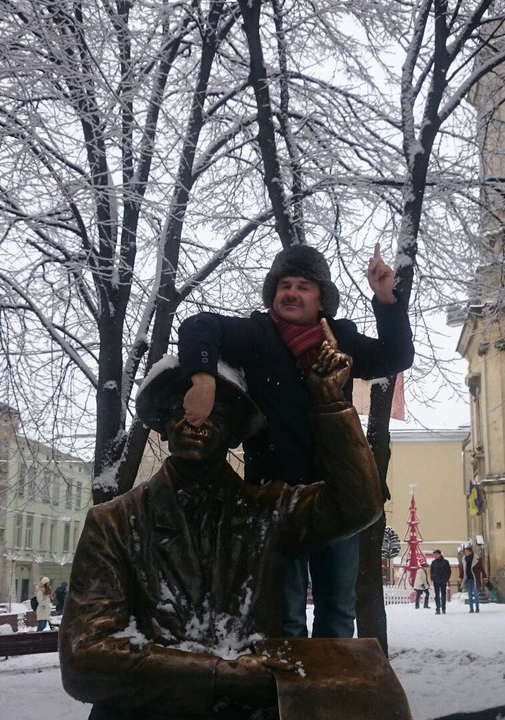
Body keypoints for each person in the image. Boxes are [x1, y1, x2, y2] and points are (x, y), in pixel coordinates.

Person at [60, 327, 382, 719]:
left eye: (215, 413)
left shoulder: (269, 512)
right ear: (163, 425)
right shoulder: (113, 523)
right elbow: (84, 658)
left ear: (234, 434)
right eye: (182, 408)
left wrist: (330, 402)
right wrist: (219, 674)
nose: (195, 421)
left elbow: (358, 504)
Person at [178, 243, 414, 640]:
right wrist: (202, 380)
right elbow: (199, 326)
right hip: (276, 498)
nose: (291, 293)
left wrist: (386, 297)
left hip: (339, 493)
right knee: (284, 616)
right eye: (284, 285)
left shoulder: (339, 338)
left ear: (322, 299)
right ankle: (290, 683)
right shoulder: (258, 334)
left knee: (338, 614)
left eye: (303, 286)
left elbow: (396, 355)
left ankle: (329, 680)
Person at [428, 550, 450, 615]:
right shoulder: (433, 562)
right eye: (434, 554)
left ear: (440, 554)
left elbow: (448, 571)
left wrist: (446, 579)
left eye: (436, 554)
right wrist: (433, 577)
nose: (435, 556)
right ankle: (438, 609)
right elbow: (431, 571)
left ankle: (443, 608)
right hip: (436, 581)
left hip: (443, 581)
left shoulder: (445, 562)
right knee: (437, 595)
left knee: (443, 595)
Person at [460, 546, 480, 613]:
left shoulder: (476, 558)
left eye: (466, 551)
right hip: (468, 579)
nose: (465, 553)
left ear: (470, 552)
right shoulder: (464, 559)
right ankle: (471, 608)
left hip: (475, 579)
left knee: (476, 594)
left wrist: (485, 577)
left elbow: (481, 568)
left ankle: (477, 608)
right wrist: (461, 577)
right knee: (470, 595)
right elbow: (462, 569)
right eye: (465, 552)